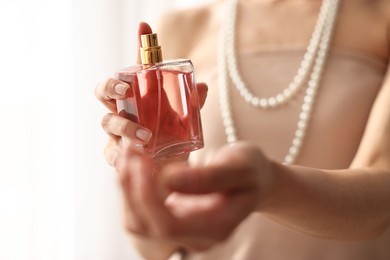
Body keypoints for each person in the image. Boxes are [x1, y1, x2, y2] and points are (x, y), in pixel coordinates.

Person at [95, 0, 390, 259]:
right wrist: (150, 182)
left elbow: (382, 198)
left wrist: (272, 186)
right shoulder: (185, 26)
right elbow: (156, 250)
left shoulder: (380, 16)